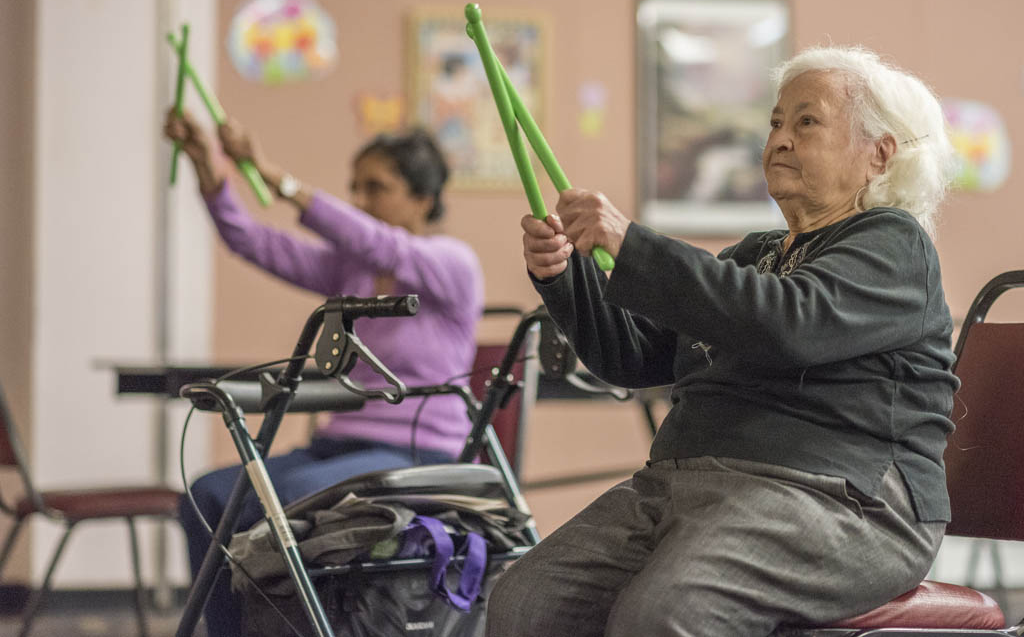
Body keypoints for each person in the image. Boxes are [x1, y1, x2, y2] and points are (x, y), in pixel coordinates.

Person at [488, 46, 960, 636]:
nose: (780, 139)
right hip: (689, 486)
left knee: (663, 616)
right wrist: (565, 275)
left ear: (879, 154)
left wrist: (632, 244)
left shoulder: (894, 244)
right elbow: (632, 355)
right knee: (523, 602)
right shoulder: (755, 253)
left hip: (845, 501)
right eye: (776, 123)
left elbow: (788, 323)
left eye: (806, 122)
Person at [164, 111, 484, 636]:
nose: (359, 199)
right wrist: (208, 163)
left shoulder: (452, 262)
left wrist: (275, 178)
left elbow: (385, 245)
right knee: (209, 495)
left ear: (424, 199)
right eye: (354, 187)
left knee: (287, 503)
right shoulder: (352, 270)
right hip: (341, 447)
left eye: (376, 187)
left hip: (416, 452)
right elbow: (251, 240)